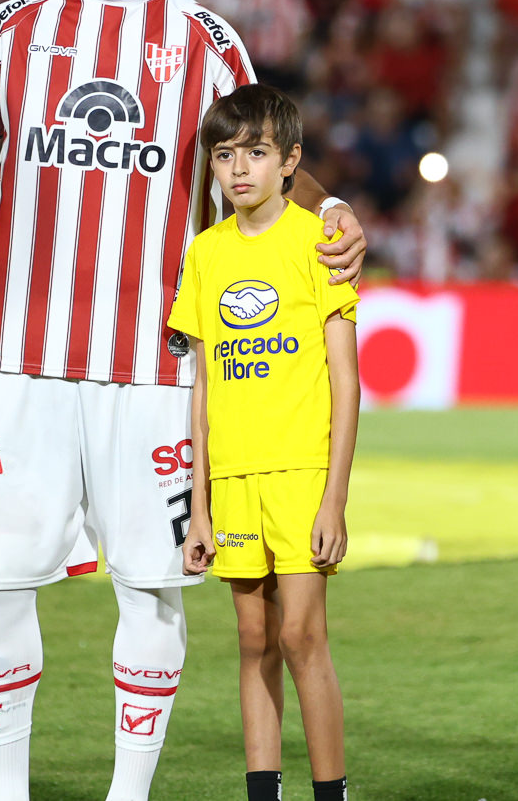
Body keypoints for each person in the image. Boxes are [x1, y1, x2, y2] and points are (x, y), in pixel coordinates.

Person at [0, 0, 367, 801]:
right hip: (22, 358)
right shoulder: (9, 31)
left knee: (153, 587)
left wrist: (331, 206)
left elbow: (268, 156)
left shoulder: (206, 40)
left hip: (158, 364)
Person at [171, 84, 361, 801]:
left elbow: (346, 381)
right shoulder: (206, 254)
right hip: (234, 480)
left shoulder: (317, 243)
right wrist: (199, 507)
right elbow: (202, 388)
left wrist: (334, 498)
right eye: (225, 155)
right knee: (254, 639)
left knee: (301, 637)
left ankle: (331, 793)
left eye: (256, 152)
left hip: (302, 474)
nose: (239, 168)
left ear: (291, 161)